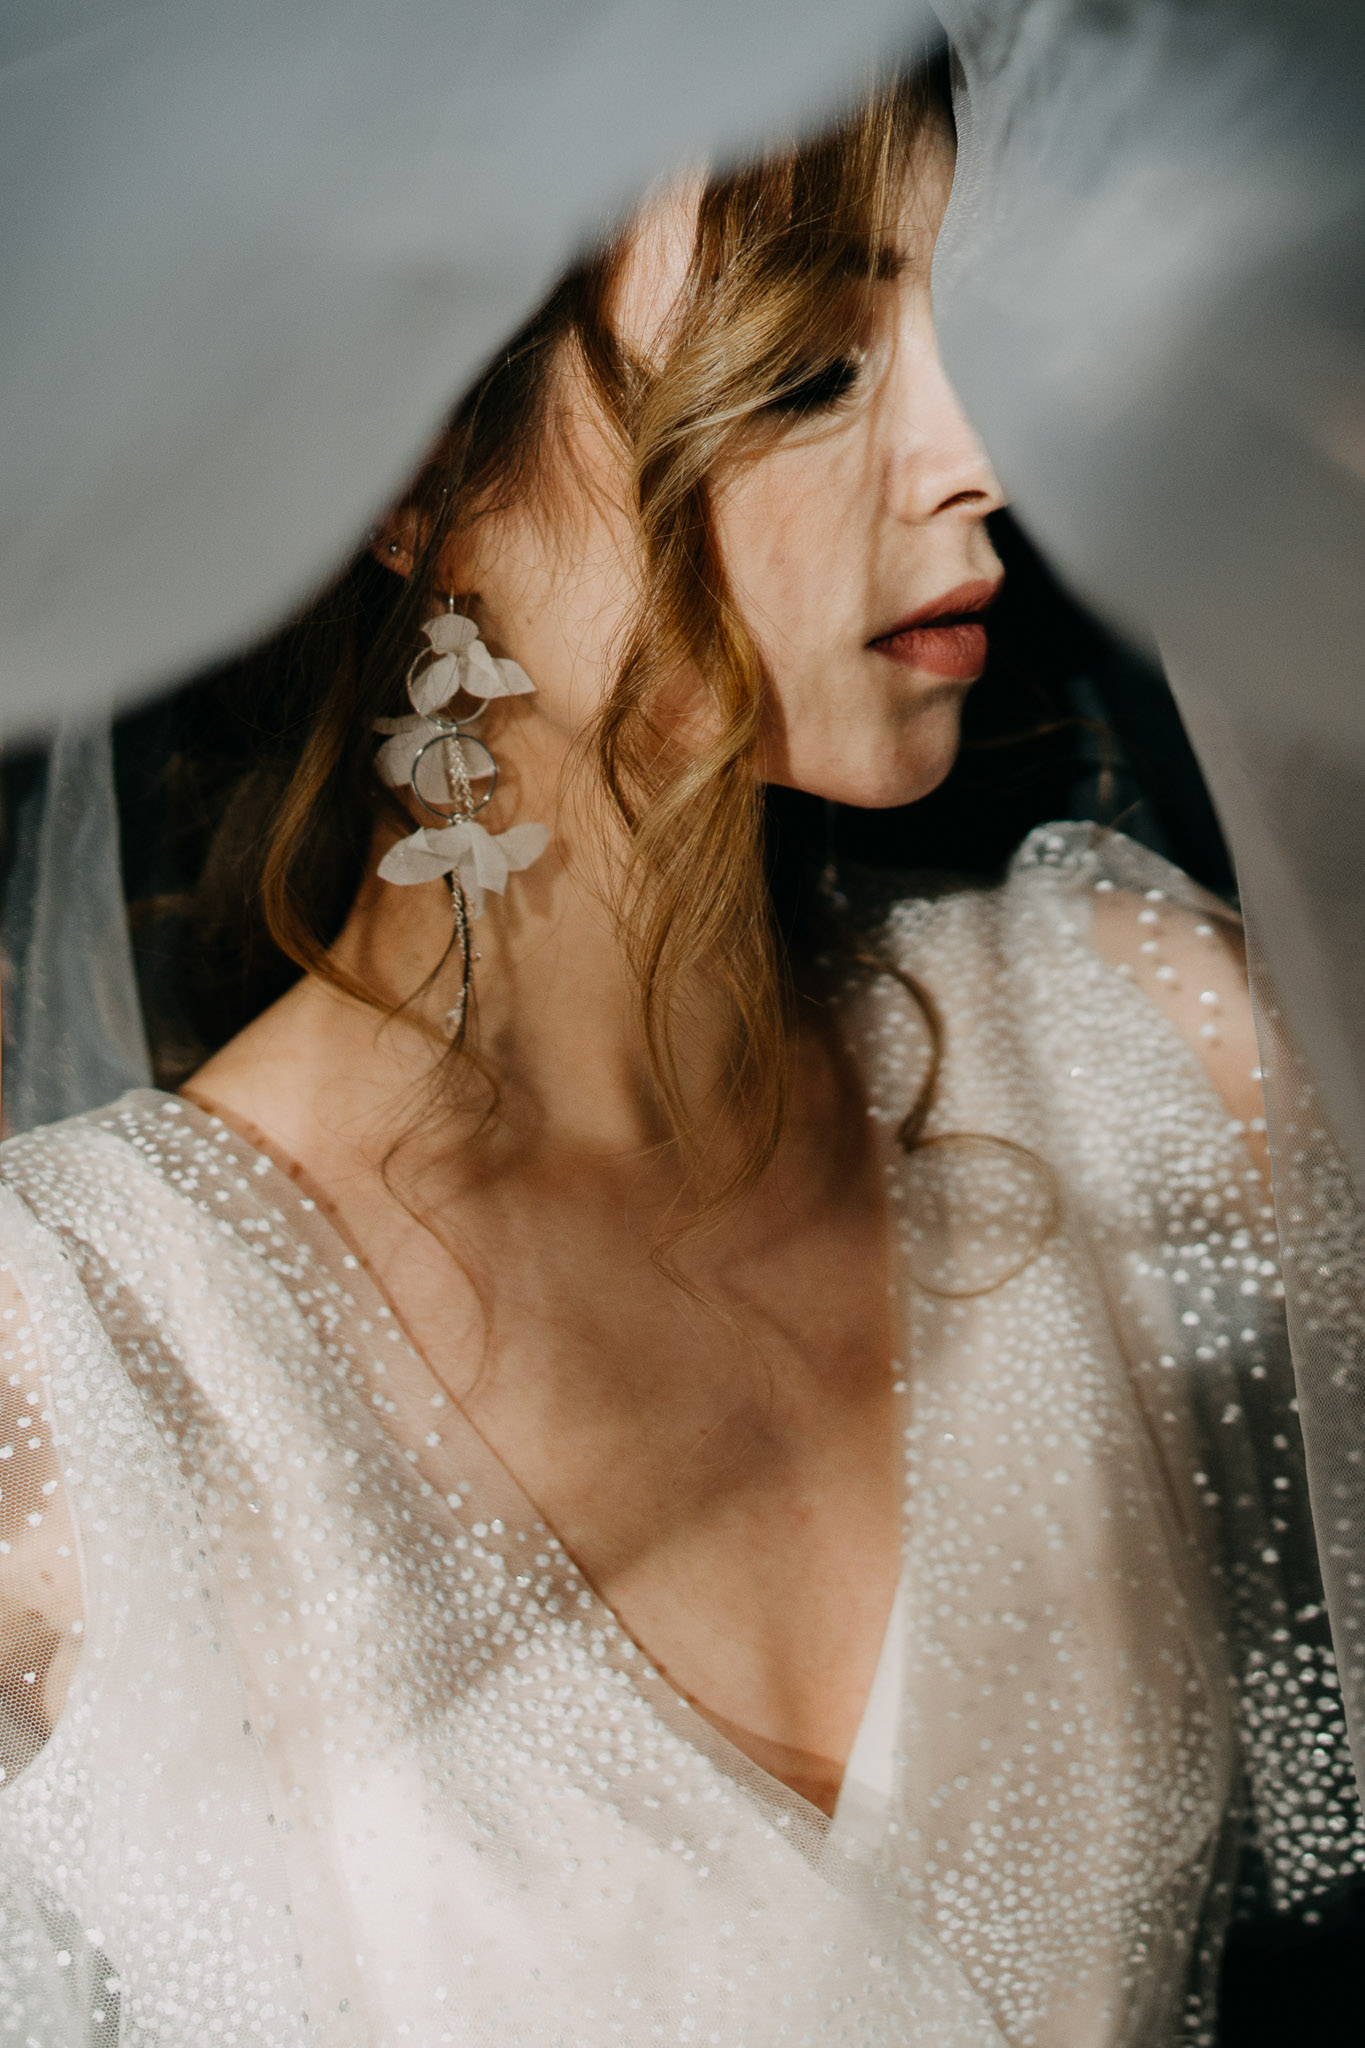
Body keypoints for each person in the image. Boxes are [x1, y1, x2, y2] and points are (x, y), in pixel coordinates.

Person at [0, 64, 1348, 2048]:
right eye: (811, 368)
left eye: (979, 332)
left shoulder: (1140, 1049)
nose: (980, 457)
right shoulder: (83, 1360)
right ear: (415, 461)